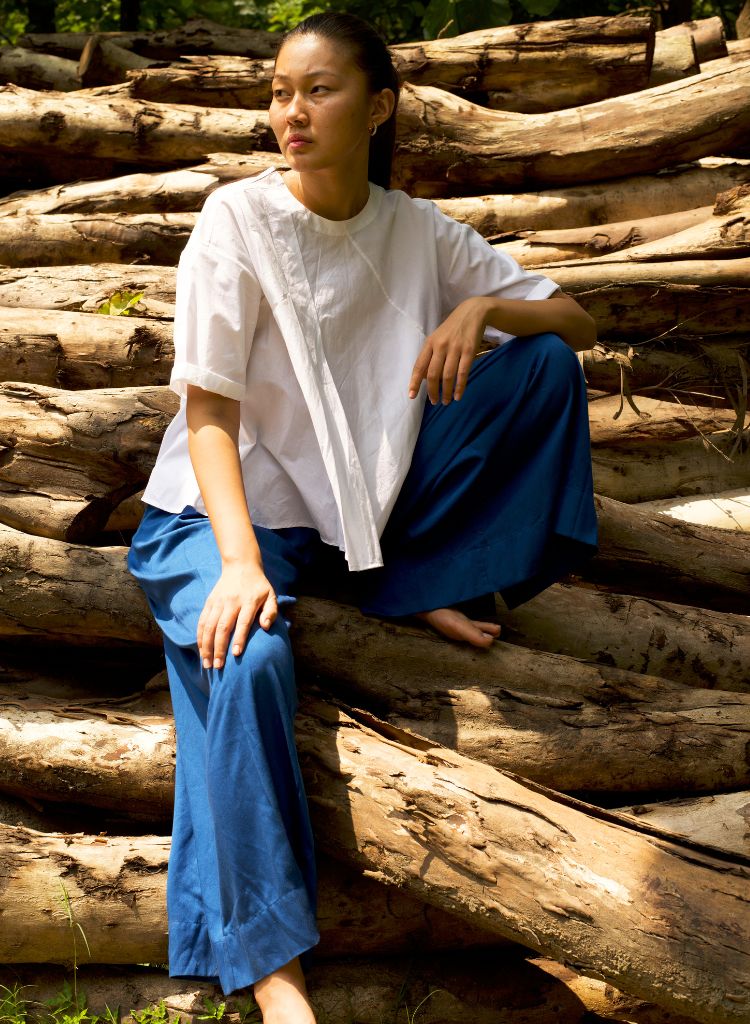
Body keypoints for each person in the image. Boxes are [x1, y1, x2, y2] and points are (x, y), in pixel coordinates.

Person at [127, 11, 599, 1023]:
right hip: (217, 518)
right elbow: (207, 414)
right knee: (247, 659)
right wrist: (241, 563)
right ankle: (275, 973)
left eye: (318, 89)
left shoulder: (418, 231)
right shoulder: (236, 220)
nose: (291, 112)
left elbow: (576, 320)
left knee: (544, 369)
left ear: (378, 107)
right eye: (278, 93)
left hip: (350, 528)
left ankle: (413, 575)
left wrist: (484, 309)